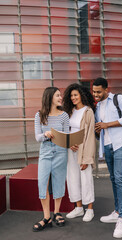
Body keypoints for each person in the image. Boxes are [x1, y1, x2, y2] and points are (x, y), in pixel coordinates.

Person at [93, 77, 122, 238]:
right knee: (113, 178)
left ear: (105, 89)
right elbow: (100, 128)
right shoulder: (97, 107)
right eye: (93, 91)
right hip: (107, 146)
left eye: (98, 92)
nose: (95, 94)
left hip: (120, 143)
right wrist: (98, 131)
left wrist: (107, 124)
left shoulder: (118, 99)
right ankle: (117, 211)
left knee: (119, 177)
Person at [33, 87, 69, 231]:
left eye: (60, 95)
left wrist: (63, 138)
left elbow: (67, 136)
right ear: (50, 97)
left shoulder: (64, 115)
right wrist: (46, 134)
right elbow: (37, 137)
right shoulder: (39, 115)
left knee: (59, 182)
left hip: (61, 152)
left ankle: (57, 213)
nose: (61, 97)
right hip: (46, 152)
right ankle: (46, 217)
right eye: (58, 95)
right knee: (43, 184)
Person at [63, 83, 96, 222]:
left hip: (84, 150)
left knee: (86, 179)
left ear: (82, 95)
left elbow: (90, 136)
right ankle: (78, 208)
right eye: (71, 96)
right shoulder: (69, 111)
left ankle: (89, 209)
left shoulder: (88, 112)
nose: (73, 98)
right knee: (72, 178)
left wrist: (87, 158)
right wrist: (69, 143)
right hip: (71, 149)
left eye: (75, 95)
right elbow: (66, 131)